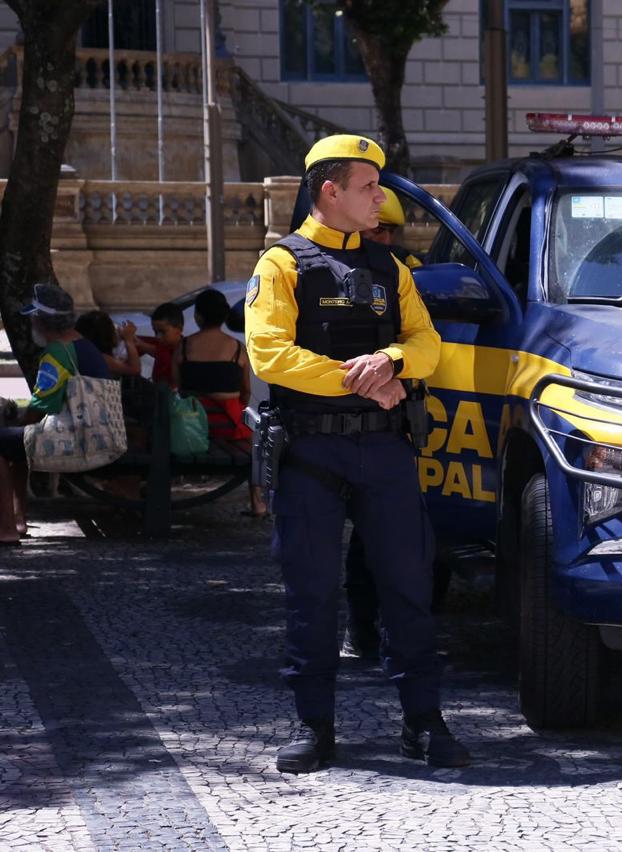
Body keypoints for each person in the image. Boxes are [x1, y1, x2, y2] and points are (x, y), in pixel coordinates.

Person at [245, 134, 469, 773]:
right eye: (369, 187)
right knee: (311, 594)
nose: (380, 199)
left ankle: (423, 723)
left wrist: (391, 360)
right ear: (330, 191)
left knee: (408, 586)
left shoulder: (391, 268)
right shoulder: (281, 265)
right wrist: (362, 379)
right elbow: (270, 355)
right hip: (310, 451)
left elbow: (428, 345)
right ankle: (314, 727)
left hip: (384, 448)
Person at [340, 188, 428, 660]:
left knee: (401, 538)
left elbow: (426, 341)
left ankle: (398, 638)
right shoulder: (330, 273)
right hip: (338, 420)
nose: (384, 239)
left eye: (390, 231)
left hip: (395, 423)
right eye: (377, 231)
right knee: (357, 540)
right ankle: (360, 631)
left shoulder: (407, 275)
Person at [0, 283, 110, 544]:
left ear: (42, 320)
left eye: (33, 318)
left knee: (3, 440)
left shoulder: (57, 352)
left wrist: (17, 419)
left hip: (76, 439)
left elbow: (41, 407)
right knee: (15, 442)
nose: (31, 324)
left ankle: (5, 528)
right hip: (97, 432)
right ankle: (17, 519)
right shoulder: (85, 346)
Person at [172, 288, 267, 518]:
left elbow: (177, 386)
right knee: (254, 440)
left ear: (198, 316)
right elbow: (246, 392)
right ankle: (257, 502)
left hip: (191, 423)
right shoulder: (237, 349)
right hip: (229, 425)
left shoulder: (183, 347)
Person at [75, 310, 141, 378]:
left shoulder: (82, 349)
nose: (116, 331)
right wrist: (128, 339)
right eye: (113, 330)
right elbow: (134, 369)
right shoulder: (100, 357)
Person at [136, 302, 184, 388]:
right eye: (155, 332)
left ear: (179, 328)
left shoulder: (187, 353)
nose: (158, 336)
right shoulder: (160, 344)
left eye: (163, 332)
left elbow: (159, 353)